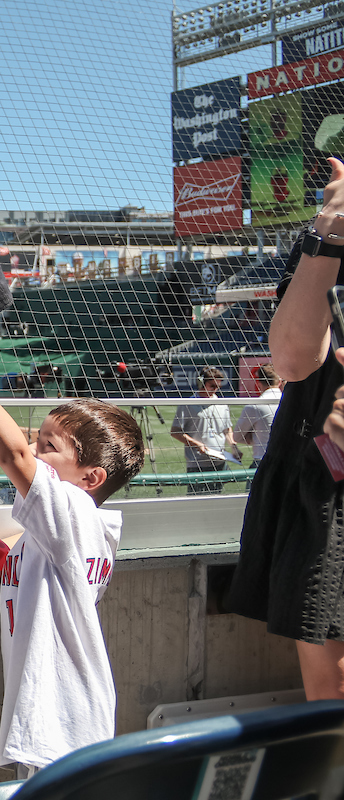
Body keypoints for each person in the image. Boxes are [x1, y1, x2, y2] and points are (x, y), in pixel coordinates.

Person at [0, 340, 143, 777]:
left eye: (48, 445)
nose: (35, 451)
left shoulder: (75, 509)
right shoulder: (74, 526)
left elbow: (12, 456)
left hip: (63, 713)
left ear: (89, 477)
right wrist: (4, 563)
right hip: (65, 709)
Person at [230, 156, 344, 701]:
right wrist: (329, 235)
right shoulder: (323, 243)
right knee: (334, 691)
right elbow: (294, 361)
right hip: (326, 483)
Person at [169, 366, 242, 495]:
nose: (215, 389)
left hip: (219, 461)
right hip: (197, 463)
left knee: (217, 502)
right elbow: (175, 431)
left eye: (218, 386)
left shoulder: (222, 403)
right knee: (196, 502)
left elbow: (226, 428)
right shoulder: (187, 404)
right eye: (212, 386)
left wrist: (233, 446)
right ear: (201, 383)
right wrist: (196, 444)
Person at [236, 364, 284, 468]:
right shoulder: (291, 403)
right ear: (279, 382)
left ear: (258, 383)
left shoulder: (254, 406)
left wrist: (255, 437)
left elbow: (237, 436)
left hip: (262, 460)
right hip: (287, 461)